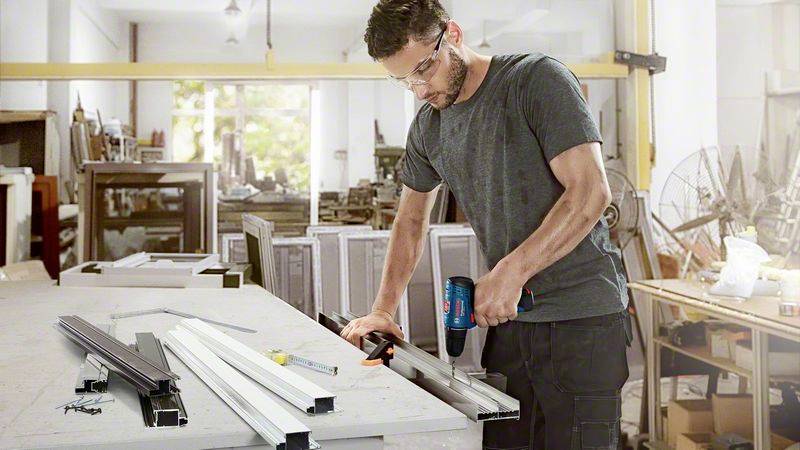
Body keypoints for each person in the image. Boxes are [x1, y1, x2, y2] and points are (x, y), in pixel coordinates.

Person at [339, 1, 631, 448]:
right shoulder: (429, 127)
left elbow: (590, 192)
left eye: (424, 68)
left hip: (581, 321)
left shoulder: (535, 81)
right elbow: (411, 220)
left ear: (452, 34)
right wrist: (383, 309)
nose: (419, 89)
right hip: (512, 319)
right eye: (403, 79)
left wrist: (510, 272)